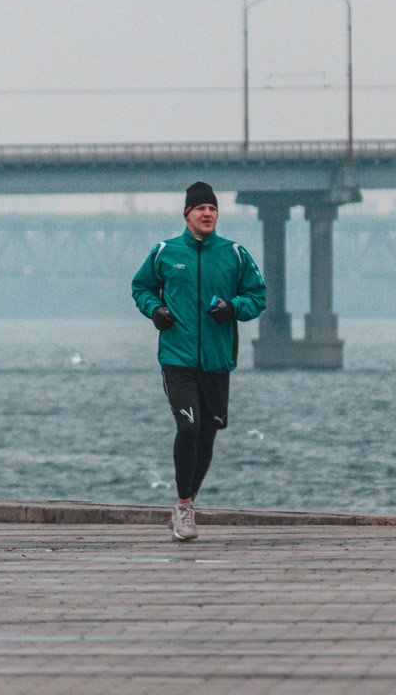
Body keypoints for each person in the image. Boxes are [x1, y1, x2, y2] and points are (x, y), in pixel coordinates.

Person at [131, 181, 266, 541]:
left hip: (217, 362)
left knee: (207, 434)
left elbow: (258, 295)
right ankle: (184, 505)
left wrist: (233, 308)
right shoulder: (165, 251)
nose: (208, 213)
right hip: (177, 358)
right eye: (200, 208)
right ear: (187, 214)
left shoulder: (234, 253)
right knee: (188, 427)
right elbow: (140, 287)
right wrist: (155, 310)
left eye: (213, 208)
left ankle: (186, 503)